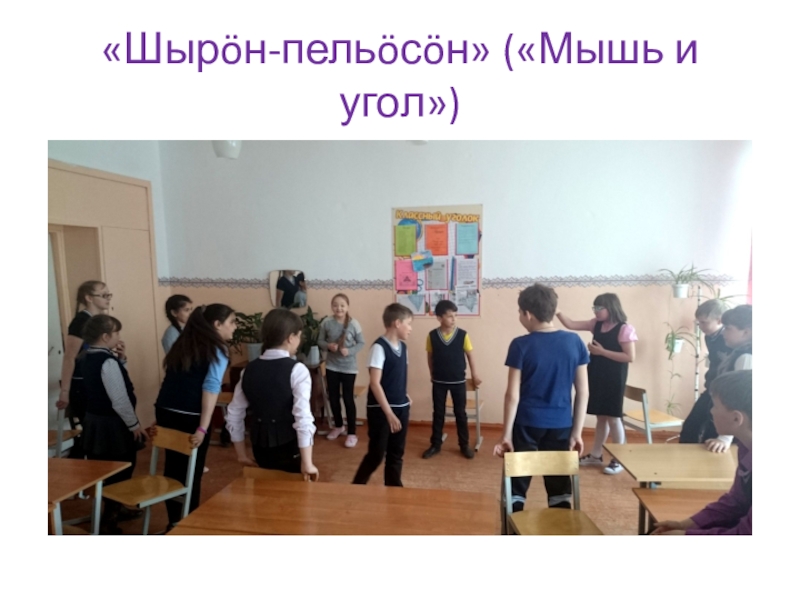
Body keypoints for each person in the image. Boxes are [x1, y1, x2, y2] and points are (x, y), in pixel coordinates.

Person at [494, 284, 589, 511]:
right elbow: (583, 392)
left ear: (528, 314)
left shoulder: (520, 345)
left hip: (526, 424)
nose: (520, 316)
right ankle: (561, 524)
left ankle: (513, 524)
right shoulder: (575, 342)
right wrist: (577, 432)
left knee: (517, 484)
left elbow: (512, 395)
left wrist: (506, 434)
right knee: (559, 485)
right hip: (561, 425)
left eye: (519, 312)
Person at [153, 304, 236, 529]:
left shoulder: (185, 341)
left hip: (165, 410)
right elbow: (211, 386)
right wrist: (203, 427)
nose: (234, 327)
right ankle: (188, 526)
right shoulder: (217, 348)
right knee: (192, 471)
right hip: (190, 415)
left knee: (173, 468)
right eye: (232, 322)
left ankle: (174, 521)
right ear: (217, 324)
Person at [651, 369, 752, 535]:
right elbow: (735, 502)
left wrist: (687, 536)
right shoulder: (746, 448)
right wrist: (686, 525)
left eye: (716, 406)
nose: (711, 411)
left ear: (736, 418)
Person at [226, 309, 319, 478]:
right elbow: (303, 417)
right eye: (299, 336)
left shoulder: (248, 370)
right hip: (288, 446)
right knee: (293, 492)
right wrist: (307, 463)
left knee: (263, 487)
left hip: (259, 447)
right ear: (290, 338)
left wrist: (241, 455)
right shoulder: (297, 370)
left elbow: (234, 413)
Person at [77, 314, 147, 534]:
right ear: (106, 336)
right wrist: (134, 425)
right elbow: (119, 399)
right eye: (116, 332)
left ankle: (115, 509)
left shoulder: (86, 357)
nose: (119, 336)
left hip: (95, 422)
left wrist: (122, 360)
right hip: (112, 426)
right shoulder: (107, 361)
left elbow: (108, 382)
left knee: (105, 470)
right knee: (121, 470)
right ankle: (109, 521)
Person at [556, 293, 637, 475]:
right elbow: (571, 324)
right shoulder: (596, 324)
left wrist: (602, 352)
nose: (596, 311)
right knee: (601, 417)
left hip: (614, 378)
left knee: (614, 417)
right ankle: (596, 454)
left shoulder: (625, 329)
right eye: (595, 308)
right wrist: (558, 312)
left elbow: (629, 357)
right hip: (597, 374)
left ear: (611, 307)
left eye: (599, 308)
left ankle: (619, 459)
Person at [352, 303, 414, 486]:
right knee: (377, 454)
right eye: (408, 324)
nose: (410, 329)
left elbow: (398, 376)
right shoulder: (379, 348)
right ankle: (357, 485)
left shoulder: (404, 348)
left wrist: (404, 394)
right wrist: (389, 413)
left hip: (401, 407)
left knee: (396, 453)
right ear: (397, 323)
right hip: (381, 411)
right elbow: (375, 383)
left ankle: (394, 488)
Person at [422, 299, 482, 459]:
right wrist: (431, 373)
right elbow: (430, 356)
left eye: (455, 315)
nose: (454, 319)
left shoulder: (463, 335)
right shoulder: (432, 336)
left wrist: (474, 375)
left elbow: (470, 356)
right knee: (438, 413)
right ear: (439, 318)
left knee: (460, 413)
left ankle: (464, 445)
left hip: (458, 382)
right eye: (449, 316)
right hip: (439, 382)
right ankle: (435, 445)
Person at [56, 280, 113, 426]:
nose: (108, 299)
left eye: (108, 295)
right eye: (103, 295)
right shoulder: (80, 321)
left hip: (99, 380)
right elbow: (69, 357)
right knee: (94, 429)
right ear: (89, 298)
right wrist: (65, 391)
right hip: (84, 384)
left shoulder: (100, 321)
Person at [680, 299, 731, 444]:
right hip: (711, 388)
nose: (701, 327)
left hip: (725, 392)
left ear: (719, 320)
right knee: (690, 426)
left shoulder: (730, 340)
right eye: (699, 323)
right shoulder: (709, 336)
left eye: (704, 322)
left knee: (712, 432)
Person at [318, 293, 365, 447]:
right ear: (332, 307)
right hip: (331, 366)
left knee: (348, 399)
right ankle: (338, 426)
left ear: (347, 307)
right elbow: (320, 341)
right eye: (336, 305)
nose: (339, 308)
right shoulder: (326, 322)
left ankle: (351, 433)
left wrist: (349, 351)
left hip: (349, 368)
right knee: (333, 398)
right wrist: (328, 346)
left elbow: (361, 343)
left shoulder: (354, 324)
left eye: (342, 305)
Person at [704, 304, 752, 453]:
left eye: (728, 328)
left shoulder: (747, 357)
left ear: (746, 332)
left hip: (737, 430)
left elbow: (739, 400)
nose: (723, 332)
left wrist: (724, 438)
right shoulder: (738, 352)